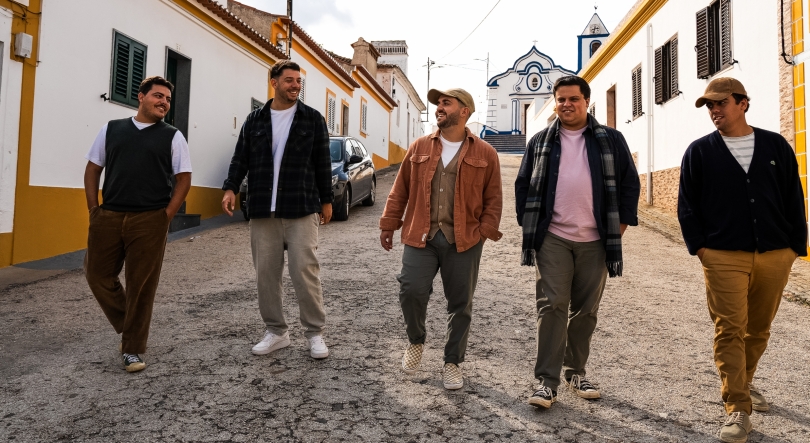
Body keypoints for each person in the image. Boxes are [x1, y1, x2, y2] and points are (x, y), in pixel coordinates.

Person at [678, 77, 807, 443]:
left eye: (721, 103)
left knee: (759, 328)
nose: (715, 111)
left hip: (775, 253)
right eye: (710, 106)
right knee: (730, 329)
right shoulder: (699, 152)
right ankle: (737, 407)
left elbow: (792, 197)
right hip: (722, 256)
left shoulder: (774, 145)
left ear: (743, 103)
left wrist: (794, 247)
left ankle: (744, 383)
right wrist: (701, 249)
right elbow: (687, 205)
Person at [515, 75, 639, 408]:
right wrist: (532, 228)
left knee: (585, 310)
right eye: (561, 99)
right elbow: (523, 185)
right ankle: (546, 382)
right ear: (555, 103)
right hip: (553, 237)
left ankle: (575, 371)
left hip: (597, 240)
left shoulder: (610, 140)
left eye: (573, 99)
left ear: (586, 101)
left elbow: (629, 183)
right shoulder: (541, 141)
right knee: (552, 305)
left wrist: (620, 226)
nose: (566, 104)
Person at [379, 87, 503, 390]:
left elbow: (494, 199)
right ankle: (416, 340)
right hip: (421, 235)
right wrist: (389, 224)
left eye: (446, 103)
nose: (439, 108)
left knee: (460, 304)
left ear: (465, 111)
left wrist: (483, 234)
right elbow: (400, 190)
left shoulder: (485, 153)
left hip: (464, 240)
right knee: (411, 289)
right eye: (438, 104)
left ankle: (452, 362)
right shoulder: (419, 146)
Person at [222, 60, 333, 360]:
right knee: (266, 275)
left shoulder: (312, 119)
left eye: (298, 81)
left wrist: (327, 200)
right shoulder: (254, 120)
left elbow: (323, 161)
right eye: (289, 80)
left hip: (301, 207)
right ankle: (276, 331)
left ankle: (315, 334)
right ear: (274, 83)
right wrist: (230, 187)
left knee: (304, 271)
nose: (295, 85)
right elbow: (239, 158)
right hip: (262, 209)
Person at [83, 76, 192, 373]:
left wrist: (166, 215)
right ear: (141, 97)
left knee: (141, 286)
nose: (163, 103)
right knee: (96, 274)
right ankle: (129, 325)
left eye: (167, 100)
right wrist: (94, 209)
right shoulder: (112, 129)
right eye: (158, 96)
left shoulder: (172, 136)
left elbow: (184, 179)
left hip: (150, 219)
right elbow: (93, 169)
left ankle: (132, 348)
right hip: (108, 216)